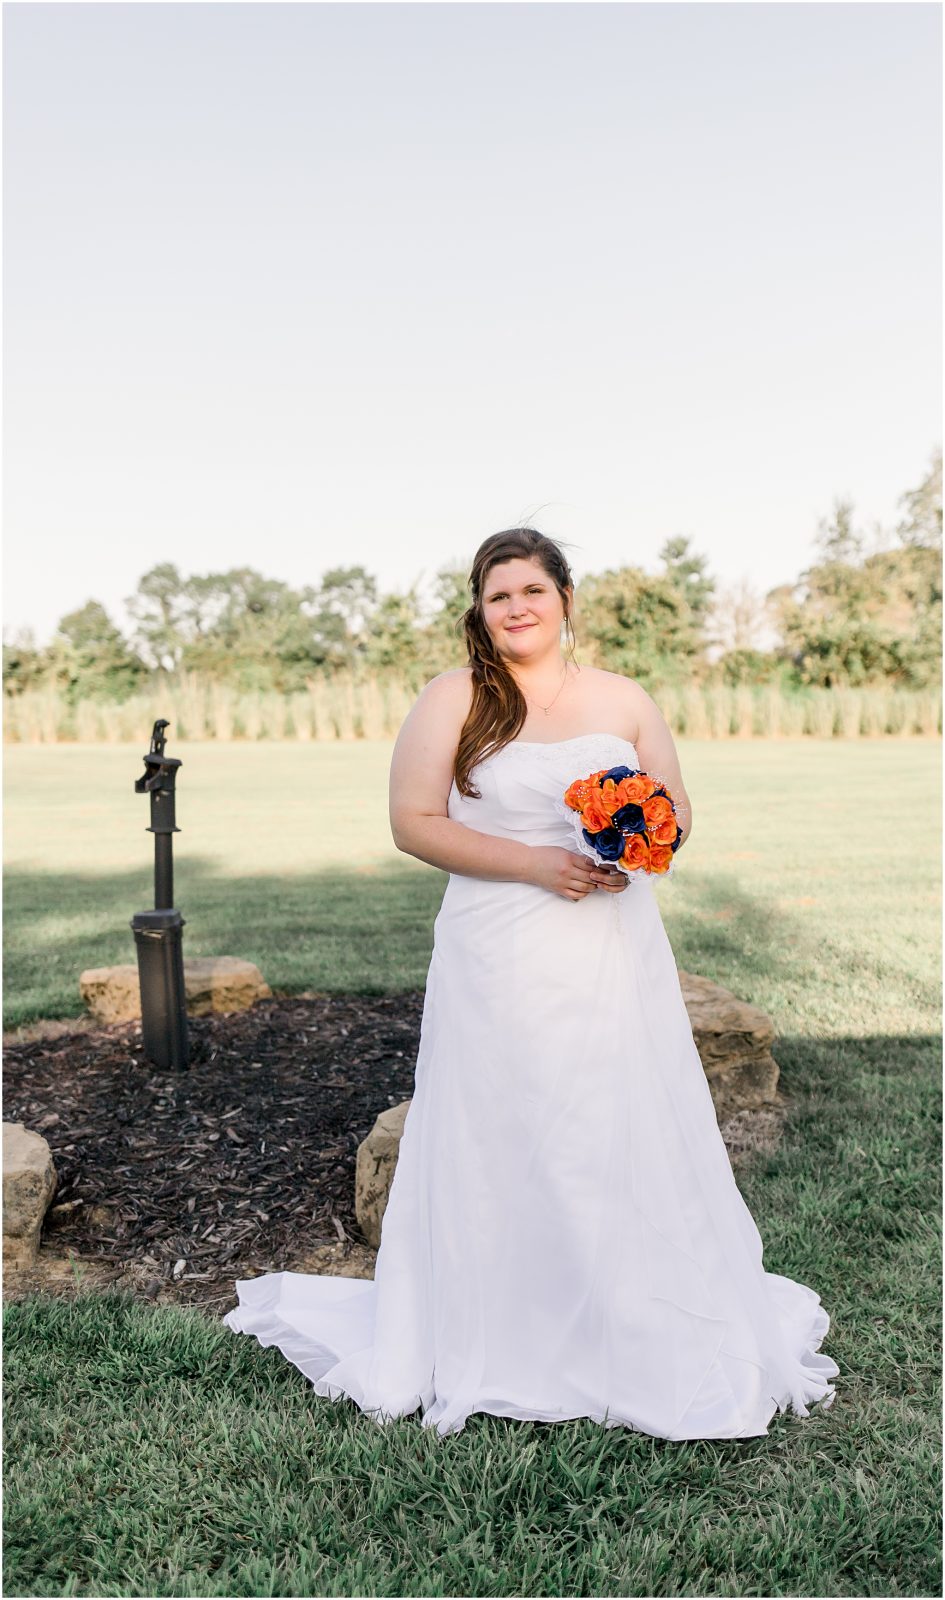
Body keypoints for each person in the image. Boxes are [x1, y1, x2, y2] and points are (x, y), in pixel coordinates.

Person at [223, 526, 839, 1438]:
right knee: (502, 1120)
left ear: (564, 602)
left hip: (609, 943)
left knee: (610, 1117)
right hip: (498, 943)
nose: (514, 607)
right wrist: (533, 864)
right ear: (479, 608)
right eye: (496, 593)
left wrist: (638, 849)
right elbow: (412, 822)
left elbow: (673, 812)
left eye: (531, 592)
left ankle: (624, 1322)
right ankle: (501, 1329)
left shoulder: (623, 699)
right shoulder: (455, 698)